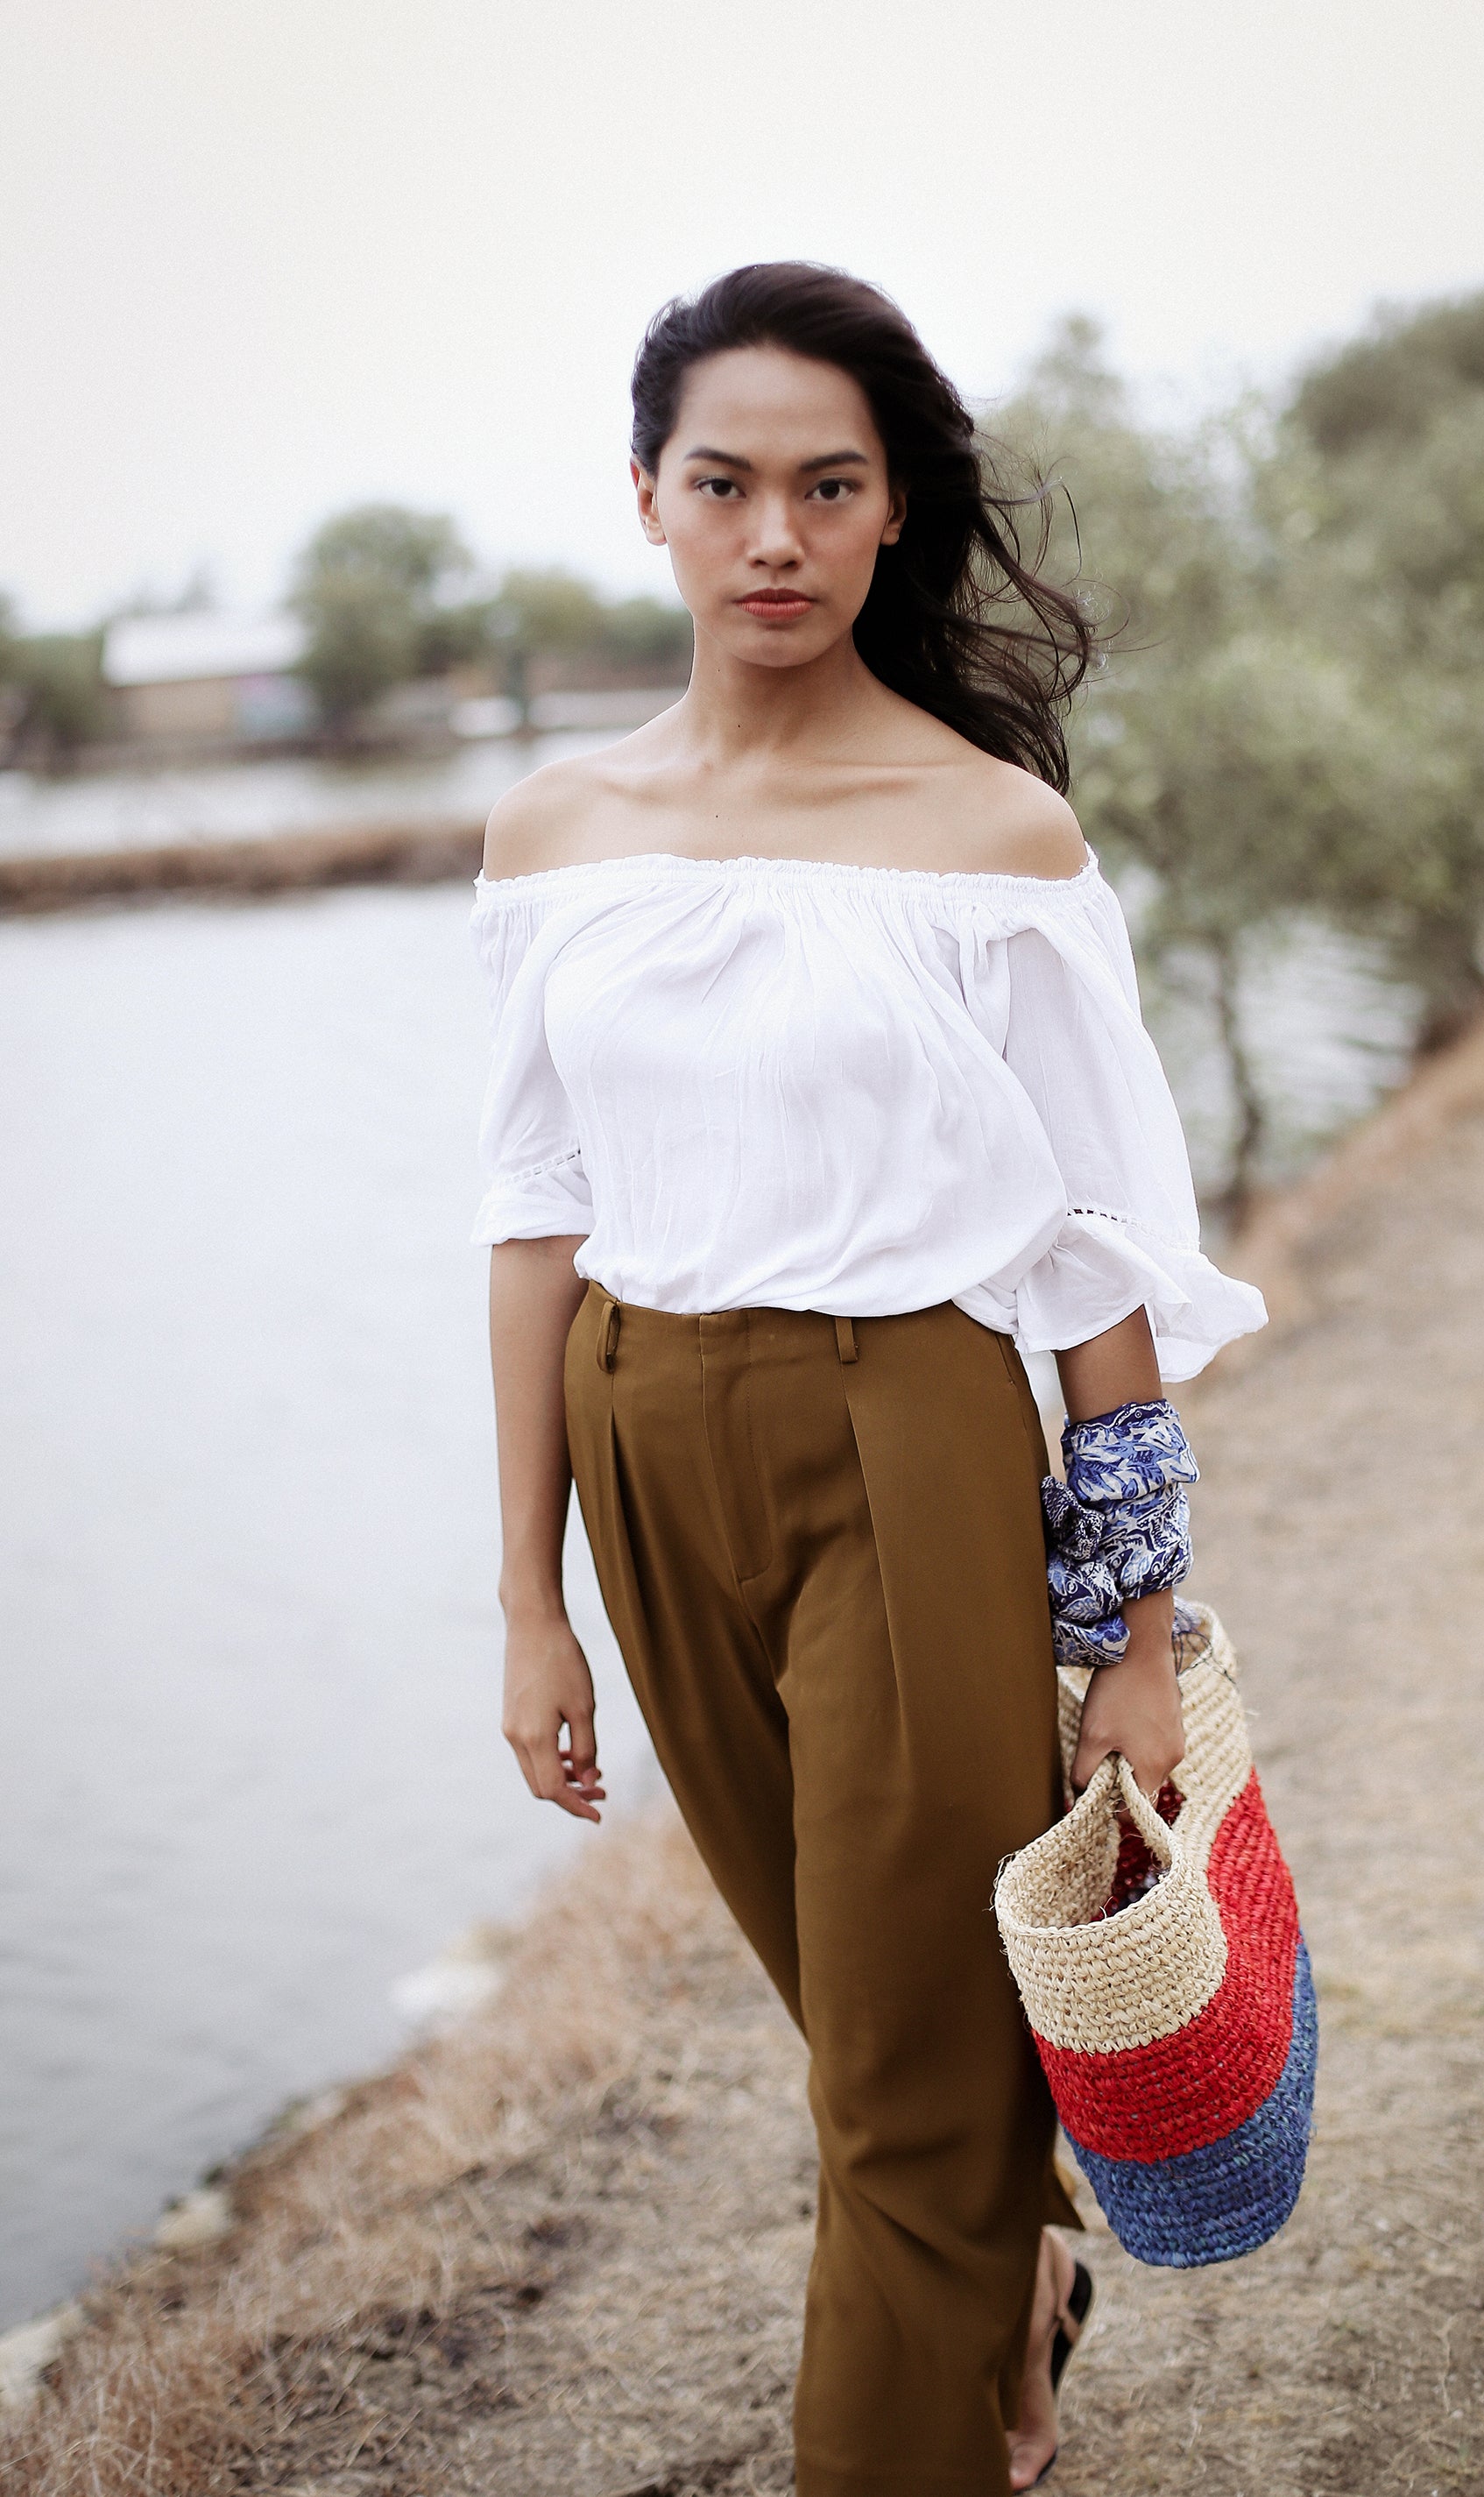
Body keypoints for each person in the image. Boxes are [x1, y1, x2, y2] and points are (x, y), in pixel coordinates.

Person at [472, 262, 1266, 2497]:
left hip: (901, 1433)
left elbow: (1093, 1262)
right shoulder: (553, 836)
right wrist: (527, 1597)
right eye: (724, 484)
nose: (776, 539)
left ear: (895, 511)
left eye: (830, 489)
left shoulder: (986, 836)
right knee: (860, 2013)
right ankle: (1011, 2278)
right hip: (640, 1450)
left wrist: (1129, 1630)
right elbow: (529, 1209)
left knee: (902, 2092)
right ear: (646, 497)